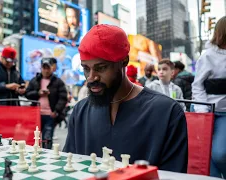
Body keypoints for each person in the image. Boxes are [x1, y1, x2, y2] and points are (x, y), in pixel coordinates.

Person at [63, 24, 188, 173]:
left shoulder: (167, 113)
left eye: (101, 68)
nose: (91, 78)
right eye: (86, 68)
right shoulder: (80, 111)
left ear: (124, 61)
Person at [192, 16, 226, 178]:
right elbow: (198, 86)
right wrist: (204, 112)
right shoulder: (208, 56)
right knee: (207, 158)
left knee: (219, 153)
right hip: (208, 113)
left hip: (224, 114)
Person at [26, 58, 68, 149]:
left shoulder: (58, 82)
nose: (46, 70)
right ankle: (34, 156)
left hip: (50, 115)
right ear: (41, 68)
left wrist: (56, 110)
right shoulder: (34, 80)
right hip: (36, 114)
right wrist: (38, 93)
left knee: (47, 139)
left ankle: (47, 158)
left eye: (48, 68)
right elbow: (27, 94)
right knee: (34, 138)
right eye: (44, 68)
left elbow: (63, 98)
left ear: (51, 68)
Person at [0, 47, 26, 136]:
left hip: (11, 113)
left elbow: (21, 83)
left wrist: (20, 89)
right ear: (1, 58)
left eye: (12, 61)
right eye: (7, 61)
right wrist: (6, 86)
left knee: (9, 139)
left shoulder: (16, 70)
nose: (10, 63)